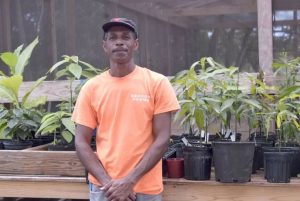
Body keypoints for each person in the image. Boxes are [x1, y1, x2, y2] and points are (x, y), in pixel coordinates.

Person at [72, 17, 180, 201]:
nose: (119, 41)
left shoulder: (156, 83)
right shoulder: (91, 88)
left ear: (135, 44)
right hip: (104, 188)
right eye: (113, 37)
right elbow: (81, 141)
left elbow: (162, 138)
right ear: (104, 45)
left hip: (145, 187)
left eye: (126, 37)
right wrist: (109, 183)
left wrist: (130, 181)